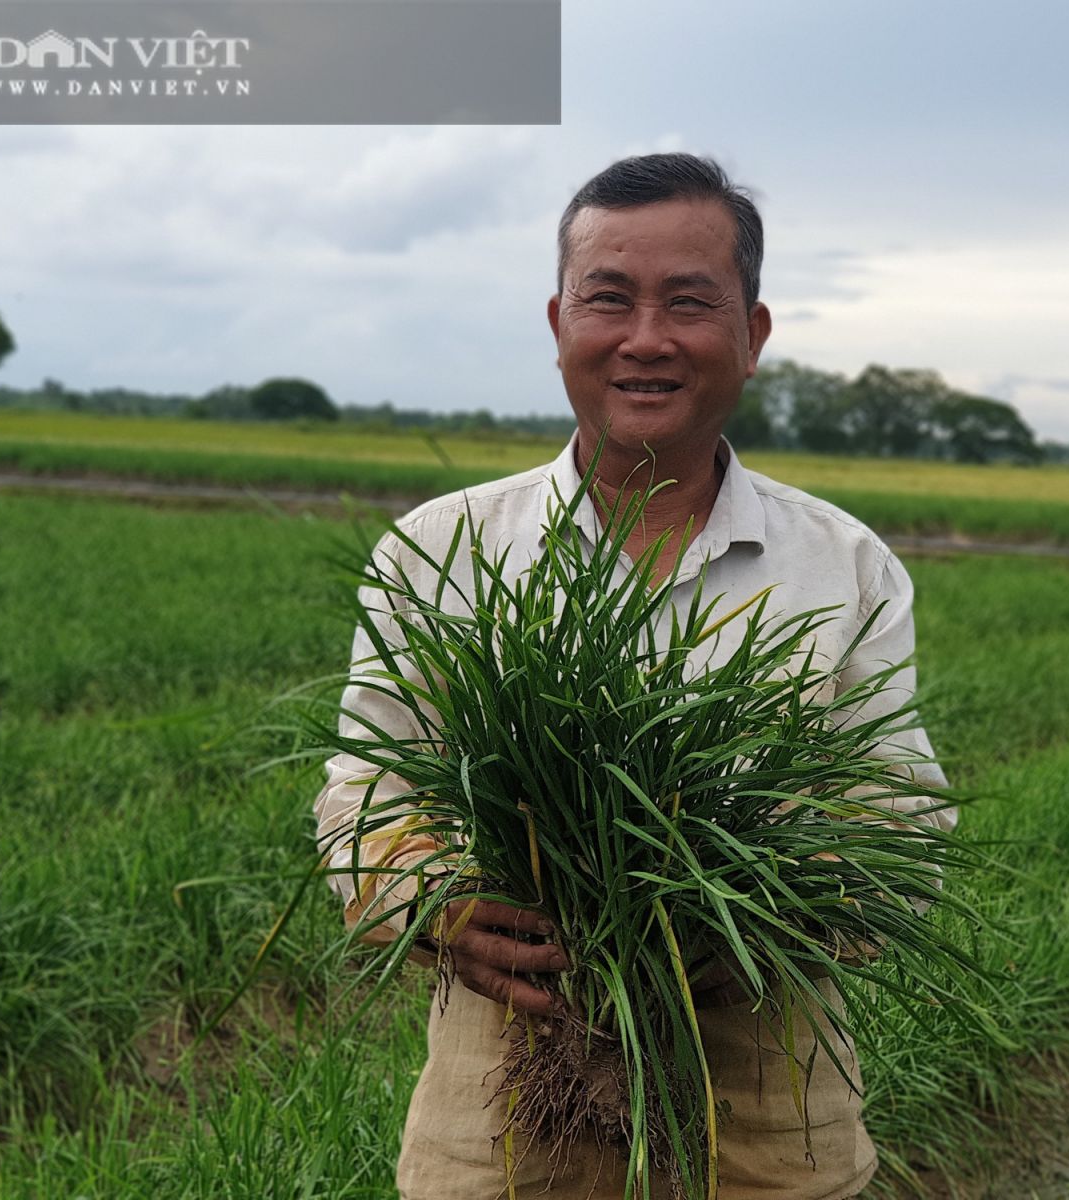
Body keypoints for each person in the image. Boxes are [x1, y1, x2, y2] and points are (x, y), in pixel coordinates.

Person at [315, 152, 951, 1200]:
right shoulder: (444, 549)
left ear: (751, 335)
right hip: (516, 1076)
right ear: (560, 321)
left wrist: (754, 916)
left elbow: (901, 822)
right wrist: (444, 907)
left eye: (689, 304)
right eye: (608, 300)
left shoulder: (841, 565)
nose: (645, 338)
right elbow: (363, 795)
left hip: (768, 1070)